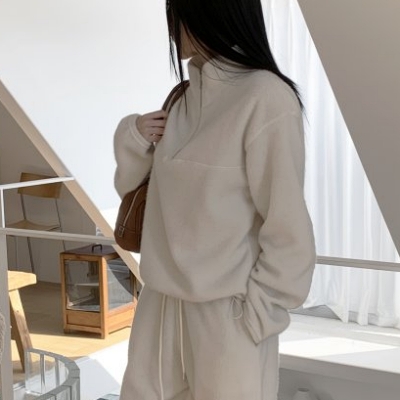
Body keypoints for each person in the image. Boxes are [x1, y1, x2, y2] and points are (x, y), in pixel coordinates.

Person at [113, 0, 316, 399]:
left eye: (179, 13)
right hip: (160, 308)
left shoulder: (266, 97)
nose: (172, 26)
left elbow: (287, 226)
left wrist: (256, 316)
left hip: (226, 317)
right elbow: (136, 197)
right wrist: (132, 137)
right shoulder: (182, 99)